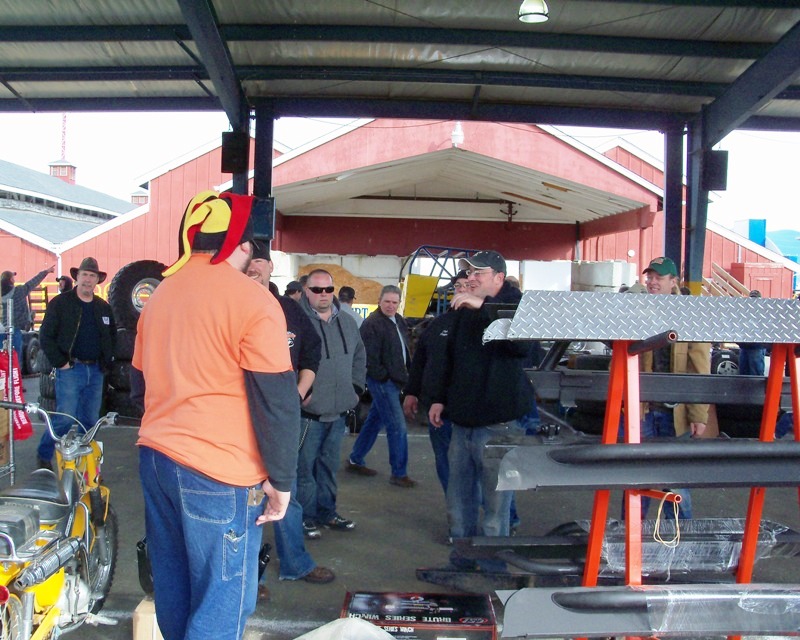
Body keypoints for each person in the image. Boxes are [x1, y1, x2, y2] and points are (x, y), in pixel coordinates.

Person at [131, 191, 300, 640]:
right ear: (242, 245)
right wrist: (281, 482)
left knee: (174, 588)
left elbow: (138, 386)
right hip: (218, 472)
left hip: (157, 459)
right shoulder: (253, 301)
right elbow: (277, 401)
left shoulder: (161, 294)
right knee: (222, 603)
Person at [428, 250, 533, 554]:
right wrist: (438, 398)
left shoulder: (518, 305)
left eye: (478, 273)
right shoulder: (464, 311)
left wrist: (484, 306)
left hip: (498, 425)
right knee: (458, 501)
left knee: (496, 506)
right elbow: (451, 358)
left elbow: (521, 347)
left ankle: (492, 568)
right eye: (469, 273)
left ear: (499, 278)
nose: (470, 279)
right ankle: (461, 560)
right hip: (461, 423)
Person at [246, 241, 334, 588]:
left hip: (281, 420)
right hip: (238, 419)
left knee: (287, 491)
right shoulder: (230, 304)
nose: (254, 267)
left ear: (270, 268)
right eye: (248, 261)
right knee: (245, 498)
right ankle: (247, 576)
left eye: (260, 262)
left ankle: (295, 562)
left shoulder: (288, 309)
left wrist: (299, 391)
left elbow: (312, 350)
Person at [630, 256, 711, 520]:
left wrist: (699, 415)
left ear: (673, 282)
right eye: (649, 276)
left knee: (675, 483)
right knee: (635, 479)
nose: (652, 282)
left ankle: (679, 542)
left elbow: (700, 368)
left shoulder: (691, 315)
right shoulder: (637, 312)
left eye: (658, 277)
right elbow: (621, 357)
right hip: (643, 410)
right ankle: (630, 540)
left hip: (676, 414)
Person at [298, 269, 366, 537]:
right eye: (317, 290)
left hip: (338, 413)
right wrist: (300, 391)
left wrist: (356, 388)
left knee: (328, 467)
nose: (323, 295)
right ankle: (306, 517)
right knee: (304, 469)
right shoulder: (297, 322)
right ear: (306, 291)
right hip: (308, 415)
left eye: (328, 289)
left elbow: (360, 354)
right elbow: (285, 359)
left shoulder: (348, 323)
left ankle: (327, 512)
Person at [37, 258, 114, 470]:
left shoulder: (103, 308)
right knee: (65, 418)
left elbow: (112, 337)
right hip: (71, 369)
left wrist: (107, 362)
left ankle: (83, 463)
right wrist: (60, 363)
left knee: (90, 420)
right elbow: (45, 336)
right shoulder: (61, 304)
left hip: (96, 371)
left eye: (93, 276)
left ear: (98, 280)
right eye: (85, 275)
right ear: (77, 277)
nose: (88, 280)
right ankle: (44, 456)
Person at [403, 270, 471, 496]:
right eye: (459, 286)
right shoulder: (437, 325)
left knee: (483, 467)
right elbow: (420, 360)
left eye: (468, 286)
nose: (462, 290)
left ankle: (506, 520)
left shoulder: (484, 325)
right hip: (438, 412)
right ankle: (457, 515)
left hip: (473, 411)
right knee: (445, 462)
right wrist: (411, 392)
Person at [348, 284, 416, 487]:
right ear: (379, 301)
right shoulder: (372, 324)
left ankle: (355, 458)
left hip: (394, 381)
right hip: (383, 383)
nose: (391, 306)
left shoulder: (399, 321)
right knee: (398, 427)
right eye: (387, 301)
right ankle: (399, 473)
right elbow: (368, 358)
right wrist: (384, 378)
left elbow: (405, 348)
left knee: (375, 421)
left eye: (395, 302)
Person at [2, 265, 55, 361]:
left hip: (2, 330)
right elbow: (32, 283)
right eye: (13, 278)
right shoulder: (18, 291)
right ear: (11, 280)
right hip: (15, 330)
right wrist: (46, 272)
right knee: (15, 360)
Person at [738, 290, 767, 376]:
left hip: (756, 347)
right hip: (746, 347)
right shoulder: (746, 313)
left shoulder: (761, 313)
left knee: (755, 373)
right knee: (744, 373)